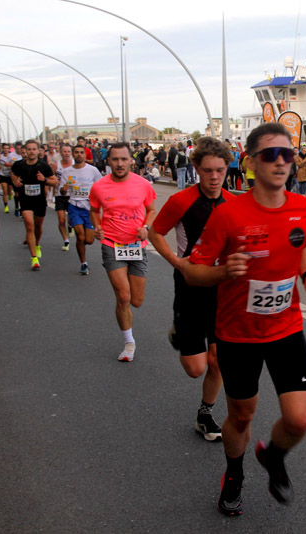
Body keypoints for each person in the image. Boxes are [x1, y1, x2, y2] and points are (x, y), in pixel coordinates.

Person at [183, 122, 306, 516]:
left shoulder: (303, 207)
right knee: (242, 415)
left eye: (287, 154)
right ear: (250, 162)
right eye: (270, 154)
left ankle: (273, 456)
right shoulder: (228, 215)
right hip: (238, 335)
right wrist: (222, 272)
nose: (281, 162)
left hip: (286, 328)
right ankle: (234, 473)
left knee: (299, 420)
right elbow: (192, 271)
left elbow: (300, 244)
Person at [150, 137, 235, 442]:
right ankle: (180, 331)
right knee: (196, 369)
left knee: (218, 360)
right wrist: (177, 262)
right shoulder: (180, 201)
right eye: (208, 170)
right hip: (189, 285)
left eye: (220, 171)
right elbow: (155, 232)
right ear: (196, 168)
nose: (214, 177)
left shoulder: (233, 203)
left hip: (223, 290)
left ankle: (205, 414)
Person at [89, 143, 156, 362]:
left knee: (136, 300)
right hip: (112, 245)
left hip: (136, 246)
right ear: (108, 161)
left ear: (131, 161)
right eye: (115, 159)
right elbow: (94, 210)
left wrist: (146, 227)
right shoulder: (99, 187)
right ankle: (129, 342)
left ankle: (128, 329)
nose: (119, 164)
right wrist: (97, 226)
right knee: (123, 297)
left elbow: (151, 210)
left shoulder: (143, 184)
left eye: (123, 159)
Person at [11, 140, 58, 270]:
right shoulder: (19, 165)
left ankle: (37, 244)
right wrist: (15, 181)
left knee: (38, 226)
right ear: (25, 151)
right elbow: (12, 173)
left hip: (39, 201)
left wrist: (44, 180)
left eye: (34, 149)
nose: (31, 152)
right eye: (29, 149)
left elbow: (55, 182)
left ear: (38, 151)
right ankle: (34, 258)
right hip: (25, 200)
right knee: (29, 225)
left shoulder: (43, 166)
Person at [61, 145, 103, 275]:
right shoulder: (67, 171)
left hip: (89, 209)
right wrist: (64, 189)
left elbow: (101, 187)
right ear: (73, 154)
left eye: (81, 152)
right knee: (80, 237)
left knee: (89, 240)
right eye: (76, 152)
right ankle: (83, 263)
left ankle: (77, 236)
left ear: (85, 155)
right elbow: (62, 192)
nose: (79, 154)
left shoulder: (93, 170)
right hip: (74, 206)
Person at [0, 143, 21, 215]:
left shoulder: (11, 155)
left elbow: (10, 164)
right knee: (4, 191)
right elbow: (5, 164)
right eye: (4, 148)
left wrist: (12, 165)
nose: (5, 150)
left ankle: (10, 193)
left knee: (9, 191)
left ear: (9, 149)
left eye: (7, 148)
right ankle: (6, 206)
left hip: (10, 175)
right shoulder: (1, 156)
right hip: (3, 174)